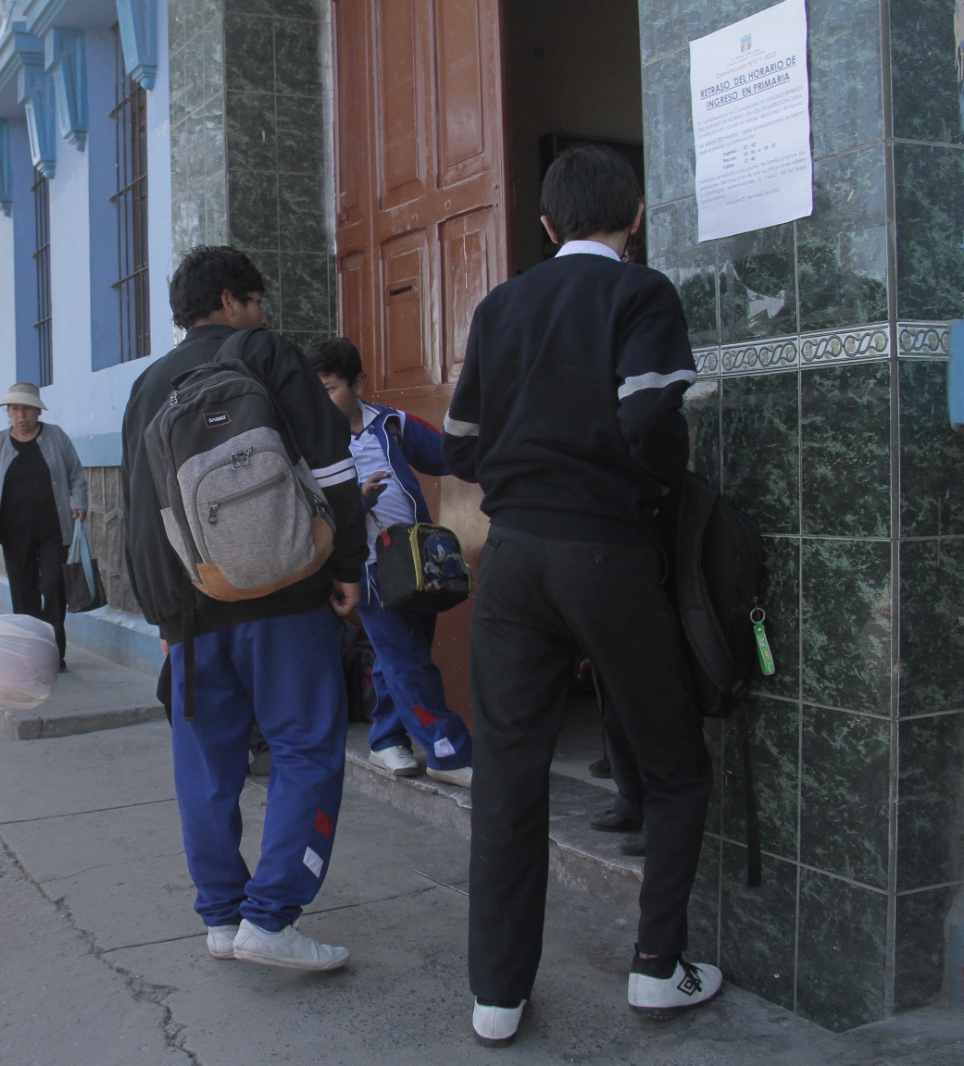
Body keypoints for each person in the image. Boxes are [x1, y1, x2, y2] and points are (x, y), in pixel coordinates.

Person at [443, 144, 719, 1047]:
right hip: (605, 551)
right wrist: (648, 483)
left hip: (513, 558)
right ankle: (656, 971)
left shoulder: (501, 304)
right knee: (674, 766)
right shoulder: (642, 295)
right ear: (633, 218)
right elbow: (649, 417)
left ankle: (496, 996)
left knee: (509, 777)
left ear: (548, 225)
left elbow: (460, 447)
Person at [121, 245, 368, 971]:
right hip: (287, 599)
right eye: (255, 300)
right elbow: (333, 465)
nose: (261, 314)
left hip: (193, 612)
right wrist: (349, 566)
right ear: (231, 301)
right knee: (307, 749)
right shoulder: (266, 352)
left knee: (205, 762)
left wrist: (166, 617)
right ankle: (272, 915)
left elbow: (140, 514)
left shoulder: (148, 385)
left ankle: (224, 917)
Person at [306, 336, 473, 786]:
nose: (322, 399)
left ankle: (385, 739)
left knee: (398, 655)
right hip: (365, 570)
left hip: (418, 563)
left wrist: (491, 452)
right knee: (407, 660)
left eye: (330, 388)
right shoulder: (310, 445)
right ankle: (447, 750)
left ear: (358, 383)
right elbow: (310, 514)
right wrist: (358, 502)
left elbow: (446, 456)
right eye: (314, 390)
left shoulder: (391, 424)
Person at [0, 383, 88, 670]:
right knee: (23, 592)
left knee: (53, 585)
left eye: (26, 408)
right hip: (14, 532)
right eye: (14, 409)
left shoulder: (56, 436)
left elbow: (77, 474)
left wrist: (79, 501)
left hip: (53, 528)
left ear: (37, 410)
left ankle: (55, 650)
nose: (20, 415)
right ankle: (32, 651)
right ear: (8, 413)